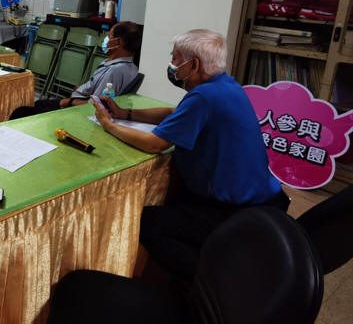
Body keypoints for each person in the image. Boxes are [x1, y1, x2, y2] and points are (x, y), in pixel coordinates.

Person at [92, 29, 287, 281]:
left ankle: (205, 280)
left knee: (147, 222)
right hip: (265, 198)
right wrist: (124, 114)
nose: (172, 64)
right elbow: (175, 113)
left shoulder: (204, 97)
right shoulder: (225, 86)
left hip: (235, 210)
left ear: (194, 65)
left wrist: (109, 125)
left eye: (175, 58)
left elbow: (154, 144)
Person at [9, 21, 141, 120]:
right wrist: (84, 87)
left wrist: (69, 102)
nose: (106, 39)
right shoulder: (124, 66)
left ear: (117, 42)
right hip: (78, 99)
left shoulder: (115, 71)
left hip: (78, 109)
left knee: (22, 113)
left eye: (109, 35)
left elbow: (96, 106)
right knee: (38, 104)